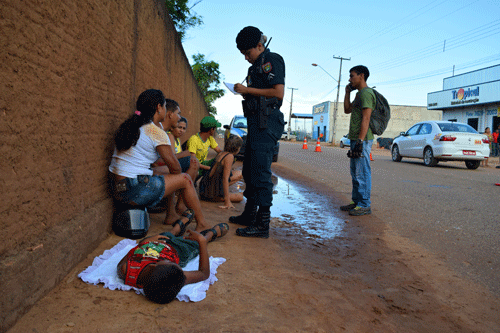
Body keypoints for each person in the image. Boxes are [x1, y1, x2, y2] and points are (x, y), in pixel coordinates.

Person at [108, 89, 212, 234]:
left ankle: (171, 214)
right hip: (134, 190)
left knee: (159, 173)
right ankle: (202, 223)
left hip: (117, 188)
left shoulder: (133, 125)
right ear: (159, 108)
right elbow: (175, 169)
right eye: (164, 106)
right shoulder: (156, 131)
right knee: (185, 178)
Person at [231, 26, 286, 238]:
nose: (246, 57)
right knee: (249, 171)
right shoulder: (254, 68)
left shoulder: (272, 60)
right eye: (243, 54)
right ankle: (249, 213)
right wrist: (245, 94)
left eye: (248, 52)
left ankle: (262, 224)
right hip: (255, 122)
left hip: (267, 122)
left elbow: (277, 92)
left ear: (259, 45)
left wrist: (247, 90)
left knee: (261, 173)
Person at [117, 223, 229, 304]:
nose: (176, 265)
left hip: (154, 243)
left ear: (152, 265)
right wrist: (202, 241)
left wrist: (144, 243)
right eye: (174, 263)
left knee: (165, 235)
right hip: (178, 251)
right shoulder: (174, 279)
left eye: (169, 262)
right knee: (192, 245)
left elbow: (122, 262)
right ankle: (208, 235)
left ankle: (178, 227)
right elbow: (204, 274)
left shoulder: (127, 270)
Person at [340, 65, 376, 216]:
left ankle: (364, 205)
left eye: (352, 75)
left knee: (362, 172)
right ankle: (357, 202)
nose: (349, 79)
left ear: (361, 76)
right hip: (355, 139)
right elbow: (347, 109)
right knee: (355, 172)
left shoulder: (367, 93)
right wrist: (347, 92)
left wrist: (360, 141)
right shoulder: (359, 94)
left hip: (363, 139)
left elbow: (366, 118)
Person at [199, 135, 244, 209]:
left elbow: (211, 174)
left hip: (204, 190)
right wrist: (227, 201)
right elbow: (225, 179)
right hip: (211, 194)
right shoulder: (230, 156)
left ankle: (221, 193)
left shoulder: (221, 153)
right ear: (237, 148)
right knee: (240, 197)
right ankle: (221, 196)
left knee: (240, 173)